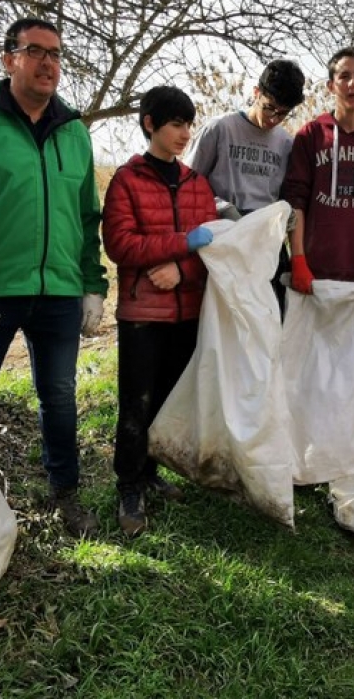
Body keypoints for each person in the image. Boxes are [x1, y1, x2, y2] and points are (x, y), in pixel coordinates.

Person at [0, 17, 109, 539]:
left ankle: (66, 494)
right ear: (9, 59)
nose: (48, 62)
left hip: (58, 292)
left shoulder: (73, 131)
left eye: (55, 54)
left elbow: (85, 216)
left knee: (59, 394)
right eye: (35, 51)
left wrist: (92, 282)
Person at [102, 86, 218, 537]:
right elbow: (120, 244)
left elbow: (214, 248)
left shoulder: (197, 183)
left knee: (169, 399)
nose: (184, 133)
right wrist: (181, 245)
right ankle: (128, 484)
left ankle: (151, 472)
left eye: (189, 124)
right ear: (150, 124)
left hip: (187, 312)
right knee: (136, 402)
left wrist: (181, 269)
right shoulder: (127, 181)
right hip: (141, 315)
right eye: (175, 124)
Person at [184, 59, 306, 312]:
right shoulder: (220, 129)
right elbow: (186, 185)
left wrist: (289, 215)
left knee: (267, 324)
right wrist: (219, 206)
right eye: (269, 107)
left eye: (282, 113)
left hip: (266, 246)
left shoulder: (286, 143)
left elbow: (288, 196)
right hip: (224, 239)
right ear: (256, 93)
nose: (273, 118)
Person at [280, 46, 354, 295]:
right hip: (313, 273)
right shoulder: (310, 135)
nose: (352, 83)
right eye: (344, 76)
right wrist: (298, 259)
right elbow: (296, 201)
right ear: (331, 86)